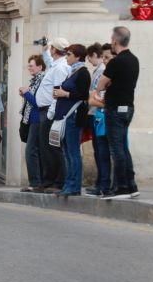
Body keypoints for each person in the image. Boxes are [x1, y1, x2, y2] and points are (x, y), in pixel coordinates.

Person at [94, 26, 139, 199]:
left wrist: (105, 86)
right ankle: (131, 185)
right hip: (128, 107)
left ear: (115, 41)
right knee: (123, 148)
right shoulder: (134, 59)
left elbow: (100, 84)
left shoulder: (116, 62)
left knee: (116, 149)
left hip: (115, 109)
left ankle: (121, 188)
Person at [52, 44, 91, 197]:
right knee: (67, 152)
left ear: (77, 57)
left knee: (73, 152)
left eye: (69, 54)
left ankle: (74, 186)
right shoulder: (73, 71)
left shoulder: (83, 73)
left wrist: (64, 94)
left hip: (73, 117)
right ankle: (69, 183)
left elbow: (82, 94)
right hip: (66, 117)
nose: (66, 57)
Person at [35, 37, 71, 192]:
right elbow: (49, 61)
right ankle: (48, 179)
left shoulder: (61, 67)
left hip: (50, 111)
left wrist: (51, 113)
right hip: (45, 110)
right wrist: (45, 49)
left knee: (52, 148)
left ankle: (57, 180)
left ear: (55, 50)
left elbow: (58, 92)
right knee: (45, 147)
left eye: (51, 48)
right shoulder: (56, 65)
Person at [85, 43, 110, 196]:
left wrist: (92, 99)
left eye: (90, 57)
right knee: (98, 150)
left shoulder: (102, 72)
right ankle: (100, 182)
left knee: (101, 151)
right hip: (94, 112)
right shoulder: (97, 71)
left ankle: (102, 183)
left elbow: (97, 94)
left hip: (98, 113)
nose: (89, 60)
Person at [18, 54, 45, 192]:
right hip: (31, 119)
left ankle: (35, 182)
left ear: (40, 67)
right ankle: (38, 182)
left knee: (30, 151)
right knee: (35, 151)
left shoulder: (42, 80)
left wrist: (26, 94)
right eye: (28, 65)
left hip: (37, 119)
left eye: (31, 65)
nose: (29, 68)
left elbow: (38, 102)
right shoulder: (34, 80)